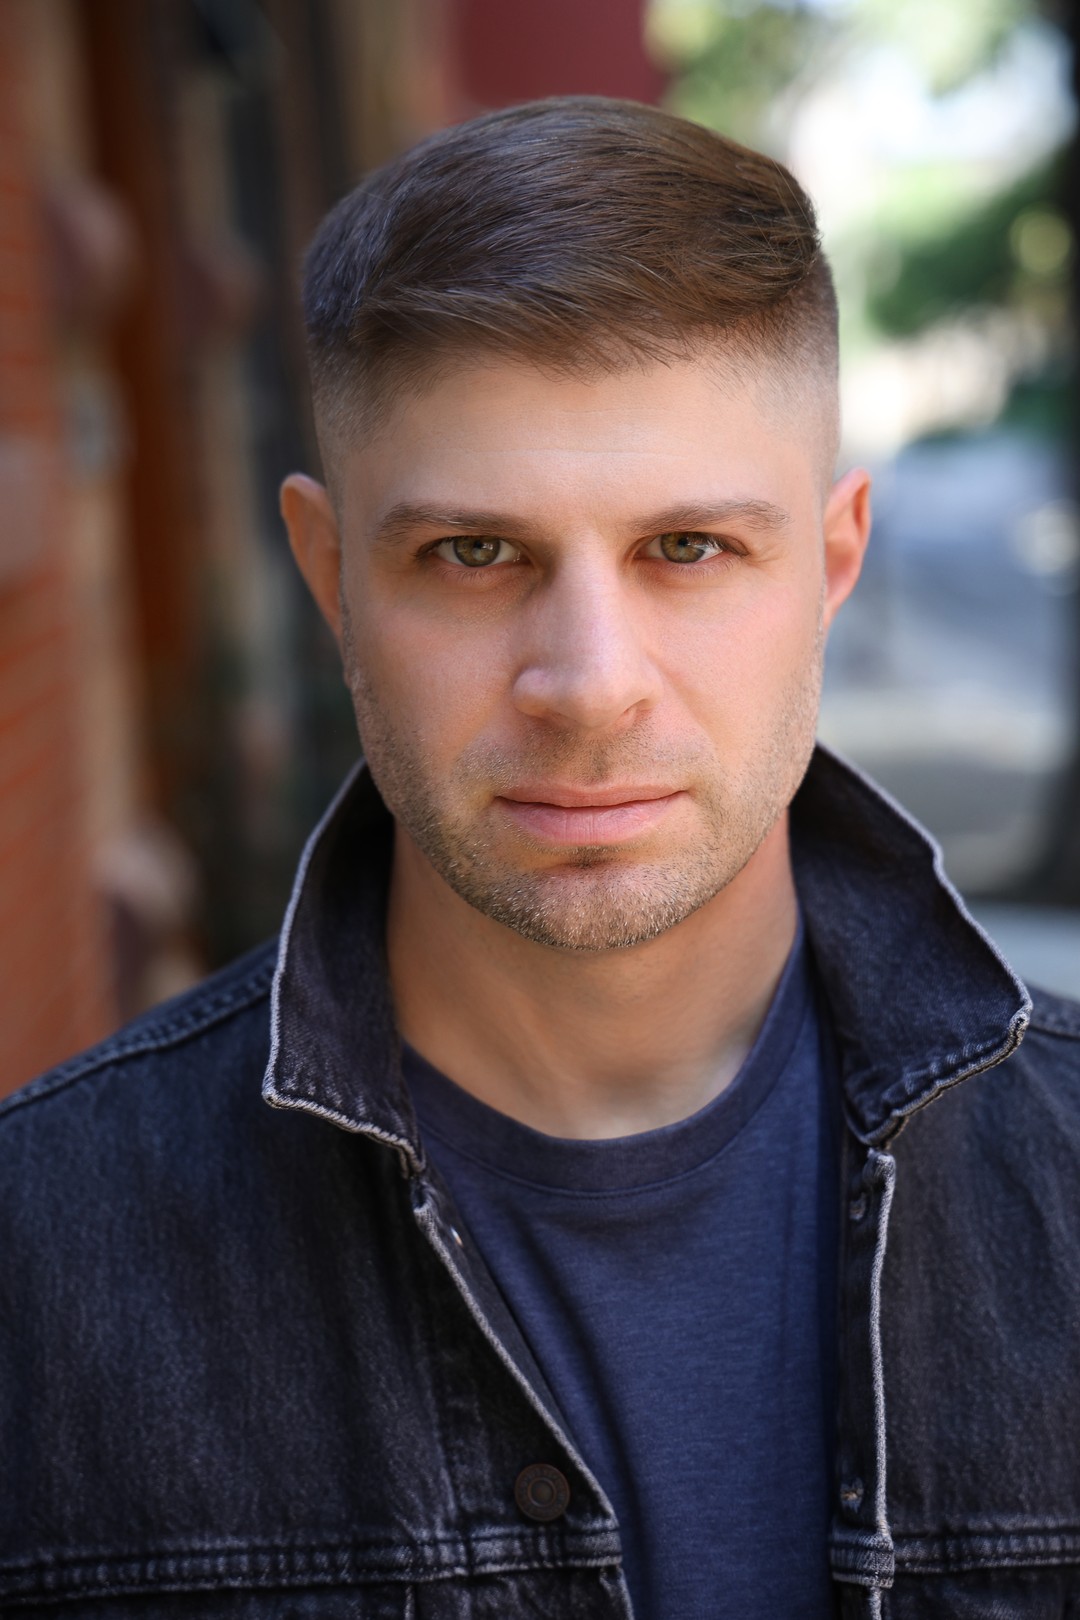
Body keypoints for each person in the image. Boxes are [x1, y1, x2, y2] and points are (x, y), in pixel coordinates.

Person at [2, 96, 1079, 1620]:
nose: (587, 685)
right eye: (475, 554)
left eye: (688, 550)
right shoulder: (39, 1264)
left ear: (833, 561)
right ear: (329, 573)